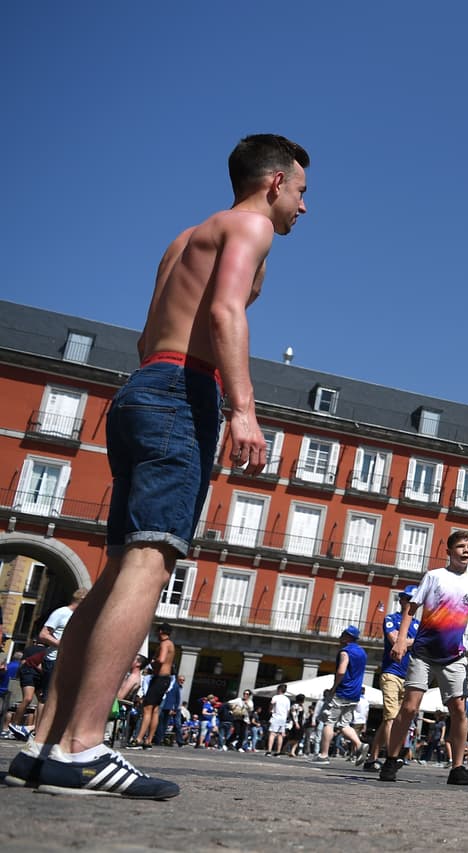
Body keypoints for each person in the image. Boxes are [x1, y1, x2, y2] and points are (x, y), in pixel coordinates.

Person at [3, 134, 308, 800]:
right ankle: (84, 746)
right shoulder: (253, 226)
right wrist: (243, 408)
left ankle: (44, 742)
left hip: (143, 384)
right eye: (303, 192)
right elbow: (227, 309)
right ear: (275, 183)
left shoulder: (186, 236)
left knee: (116, 570)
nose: (303, 210)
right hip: (182, 392)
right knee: (151, 561)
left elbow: (149, 335)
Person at [380, 530, 468, 786]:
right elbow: (412, 607)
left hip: (454, 657)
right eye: (461, 546)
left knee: (460, 710)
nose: (466, 551)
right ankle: (391, 759)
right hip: (423, 653)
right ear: (449, 550)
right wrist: (400, 640)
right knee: (409, 707)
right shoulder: (434, 577)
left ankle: (457, 768)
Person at [364, 586, 420, 772]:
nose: (412, 603)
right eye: (409, 599)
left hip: (409, 675)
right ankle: (392, 756)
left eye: (415, 600)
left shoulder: (418, 624)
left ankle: (371, 759)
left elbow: (420, 643)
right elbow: (395, 639)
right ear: (402, 600)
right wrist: (411, 641)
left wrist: (407, 641)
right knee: (391, 717)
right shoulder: (391, 619)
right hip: (391, 673)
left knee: (395, 718)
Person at [313, 626, 367, 765]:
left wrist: (333, 688)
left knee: (329, 722)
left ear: (347, 637)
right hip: (354, 694)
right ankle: (360, 745)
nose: (340, 635)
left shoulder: (345, 652)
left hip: (342, 691)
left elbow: (341, 671)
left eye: (343, 634)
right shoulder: (362, 652)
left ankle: (324, 755)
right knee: (344, 724)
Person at [37, 589, 89, 693]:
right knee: (48, 696)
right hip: (54, 659)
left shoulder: (81, 616)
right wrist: (60, 644)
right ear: (82, 599)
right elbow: (43, 635)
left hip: (69, 660)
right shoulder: (61, 613)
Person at [135, 623, 175, 750]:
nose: (156, 634)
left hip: (159, 678)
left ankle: (138, 739)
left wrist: (153, 663)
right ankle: (149, 740)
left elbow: (161, 660)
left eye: (157, 631)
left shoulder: (164, 644)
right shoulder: (171, 644)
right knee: (155, 711)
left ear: (161, 631)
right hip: (165, 679)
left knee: (147, 709)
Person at [265, 683, 292, 757]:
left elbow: (272, 703)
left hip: (276, 716)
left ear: (279, 690)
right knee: (280, 735)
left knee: (272, 733)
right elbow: (288, 710)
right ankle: (278, 751)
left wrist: (270, 709)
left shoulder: (276, 697)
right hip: (283, 718)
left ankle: (269, 751)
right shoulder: (287, 699)